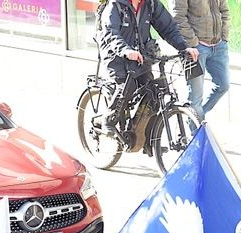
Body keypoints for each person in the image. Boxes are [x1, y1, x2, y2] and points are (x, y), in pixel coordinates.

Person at [98, 0, 199, 138]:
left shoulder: (150, 4)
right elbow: (110, 33)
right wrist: (125, 50)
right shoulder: (115, 5)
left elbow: (168, 28)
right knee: (127, 87)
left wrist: (183, 47)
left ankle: (147, 139)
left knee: (152, 93)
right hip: (116, 55)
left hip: (140, 55)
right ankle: (108, 120)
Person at [174, 0, 230, 122]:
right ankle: (195, 136)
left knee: (223, 85)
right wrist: (193, 42)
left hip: (219, 46)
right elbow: (178, 17)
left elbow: (224, 10)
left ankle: (193, 118)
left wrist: (224, 37)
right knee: (195, 99)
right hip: (196, 49)